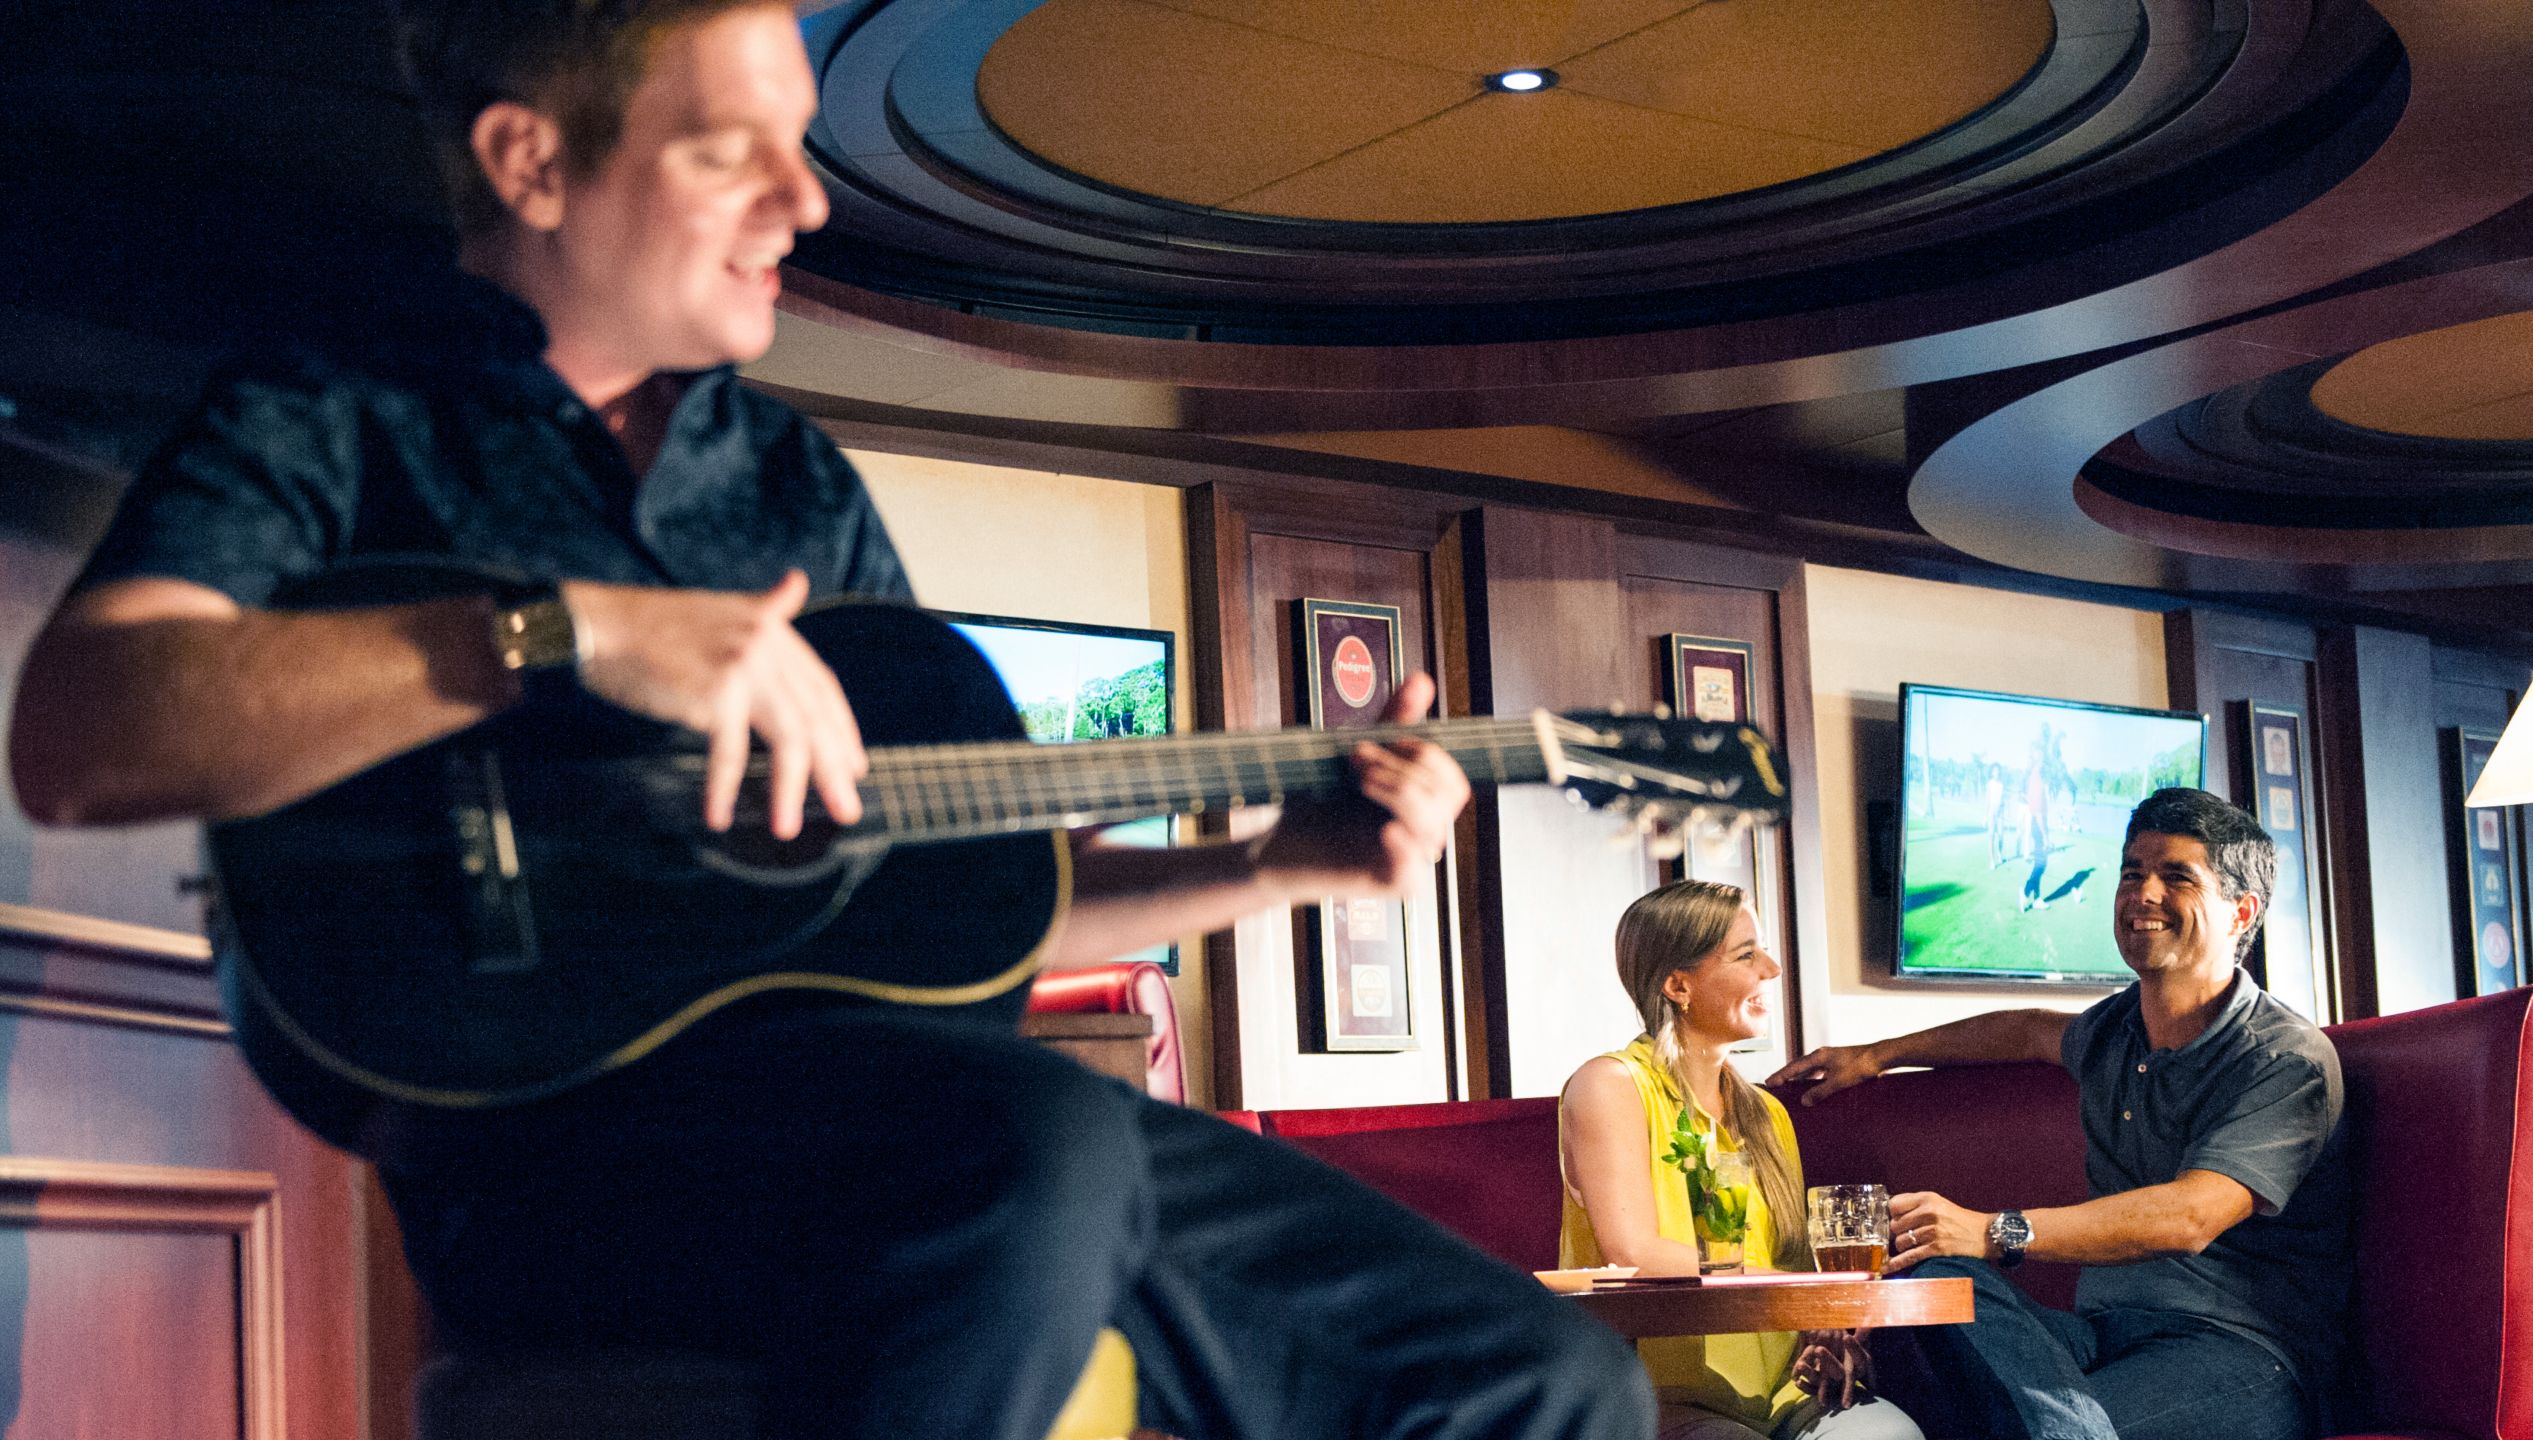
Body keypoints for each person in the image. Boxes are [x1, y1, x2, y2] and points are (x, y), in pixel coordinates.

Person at [1, 4, 1651, 1438]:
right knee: (1041, 1141)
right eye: (737, 152)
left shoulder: (792, 482)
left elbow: (939, 894)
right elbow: (82, 732)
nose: (808, 199)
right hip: (553, 1157)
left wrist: (1279, 865)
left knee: (1545, 1380)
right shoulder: (335, 407)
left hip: (924, 1127)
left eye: (803, 147)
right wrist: (561, 635)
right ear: (531, 162)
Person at [1772, 788, 2348, 1440]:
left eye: (2176, 877)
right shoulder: (2113, 1031)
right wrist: (1877, 1054)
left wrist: (1997, 1231)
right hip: (2097, 1334)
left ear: (2241, 911)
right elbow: (2024, 1030)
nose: (2142, 893)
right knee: (1936, 1267)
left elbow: (2192, 1215)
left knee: (1978, 1294)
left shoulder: (2285, 1057)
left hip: (2241, 1355)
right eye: (2132, 872)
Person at [1558, 881, 1925, 1440]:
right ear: (1679, 985)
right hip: (1658, 1396)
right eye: (1747, 955)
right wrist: (1796, 1300)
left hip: (1787, 1395)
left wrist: (1825, 1340)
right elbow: (1631, 1249)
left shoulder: (1766, 1113)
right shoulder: (1610, 1085)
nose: (1773, 969)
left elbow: (1793, 1264)